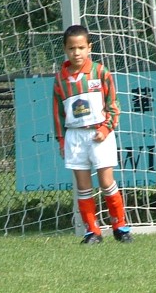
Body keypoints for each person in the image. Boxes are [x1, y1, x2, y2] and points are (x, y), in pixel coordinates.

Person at [52, 24, 133, 244]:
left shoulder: (100, 72)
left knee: (107, 182)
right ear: (65, 49)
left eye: (80, 47)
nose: (76, 52)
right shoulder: (60, 79)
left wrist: (105, 129)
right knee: (83, 186)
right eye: (71, 48)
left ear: (89, 47)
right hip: (75, 137)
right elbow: (58, 114)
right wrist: (62, 140)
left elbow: (113, 105)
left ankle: (120, 227)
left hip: (100, 134)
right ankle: (92, 231)